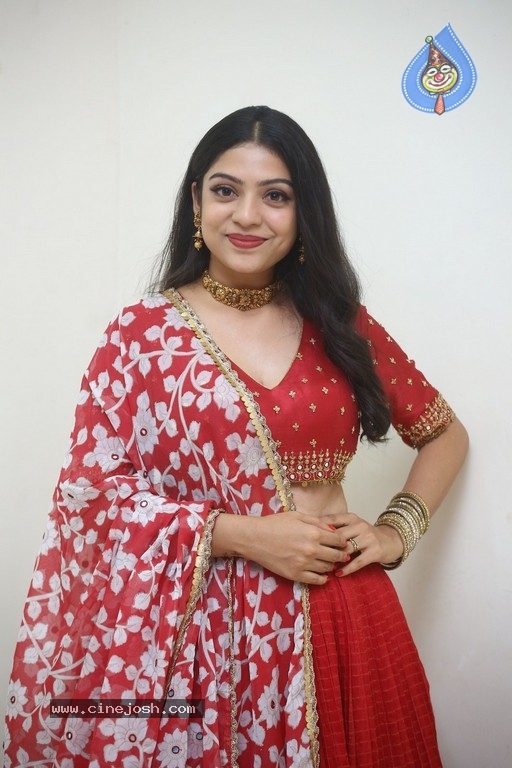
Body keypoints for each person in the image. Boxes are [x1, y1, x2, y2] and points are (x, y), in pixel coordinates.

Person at [4, 105, 468, 768]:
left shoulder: (340, 323)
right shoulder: (142, 337)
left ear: (304, 212)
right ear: (196, 201)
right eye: (226, 190)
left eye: (275, 196)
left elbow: (444, 434)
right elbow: (91, 496)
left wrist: (397, 530)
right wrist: (242, 534)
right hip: (201, 636)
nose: (248, 216)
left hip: (341, 618)